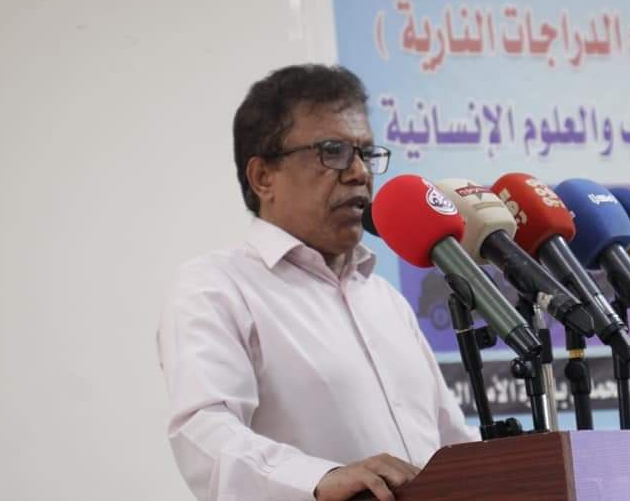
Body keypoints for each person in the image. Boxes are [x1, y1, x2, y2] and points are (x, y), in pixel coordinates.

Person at [157, 64, 478, 501]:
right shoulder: (216, 288)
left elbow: (450, 440)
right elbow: (204, 435)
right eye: (333, 152)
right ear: (263, 177)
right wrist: (320, 478)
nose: (359, 172)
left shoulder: (385, 298)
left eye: (366, 153)